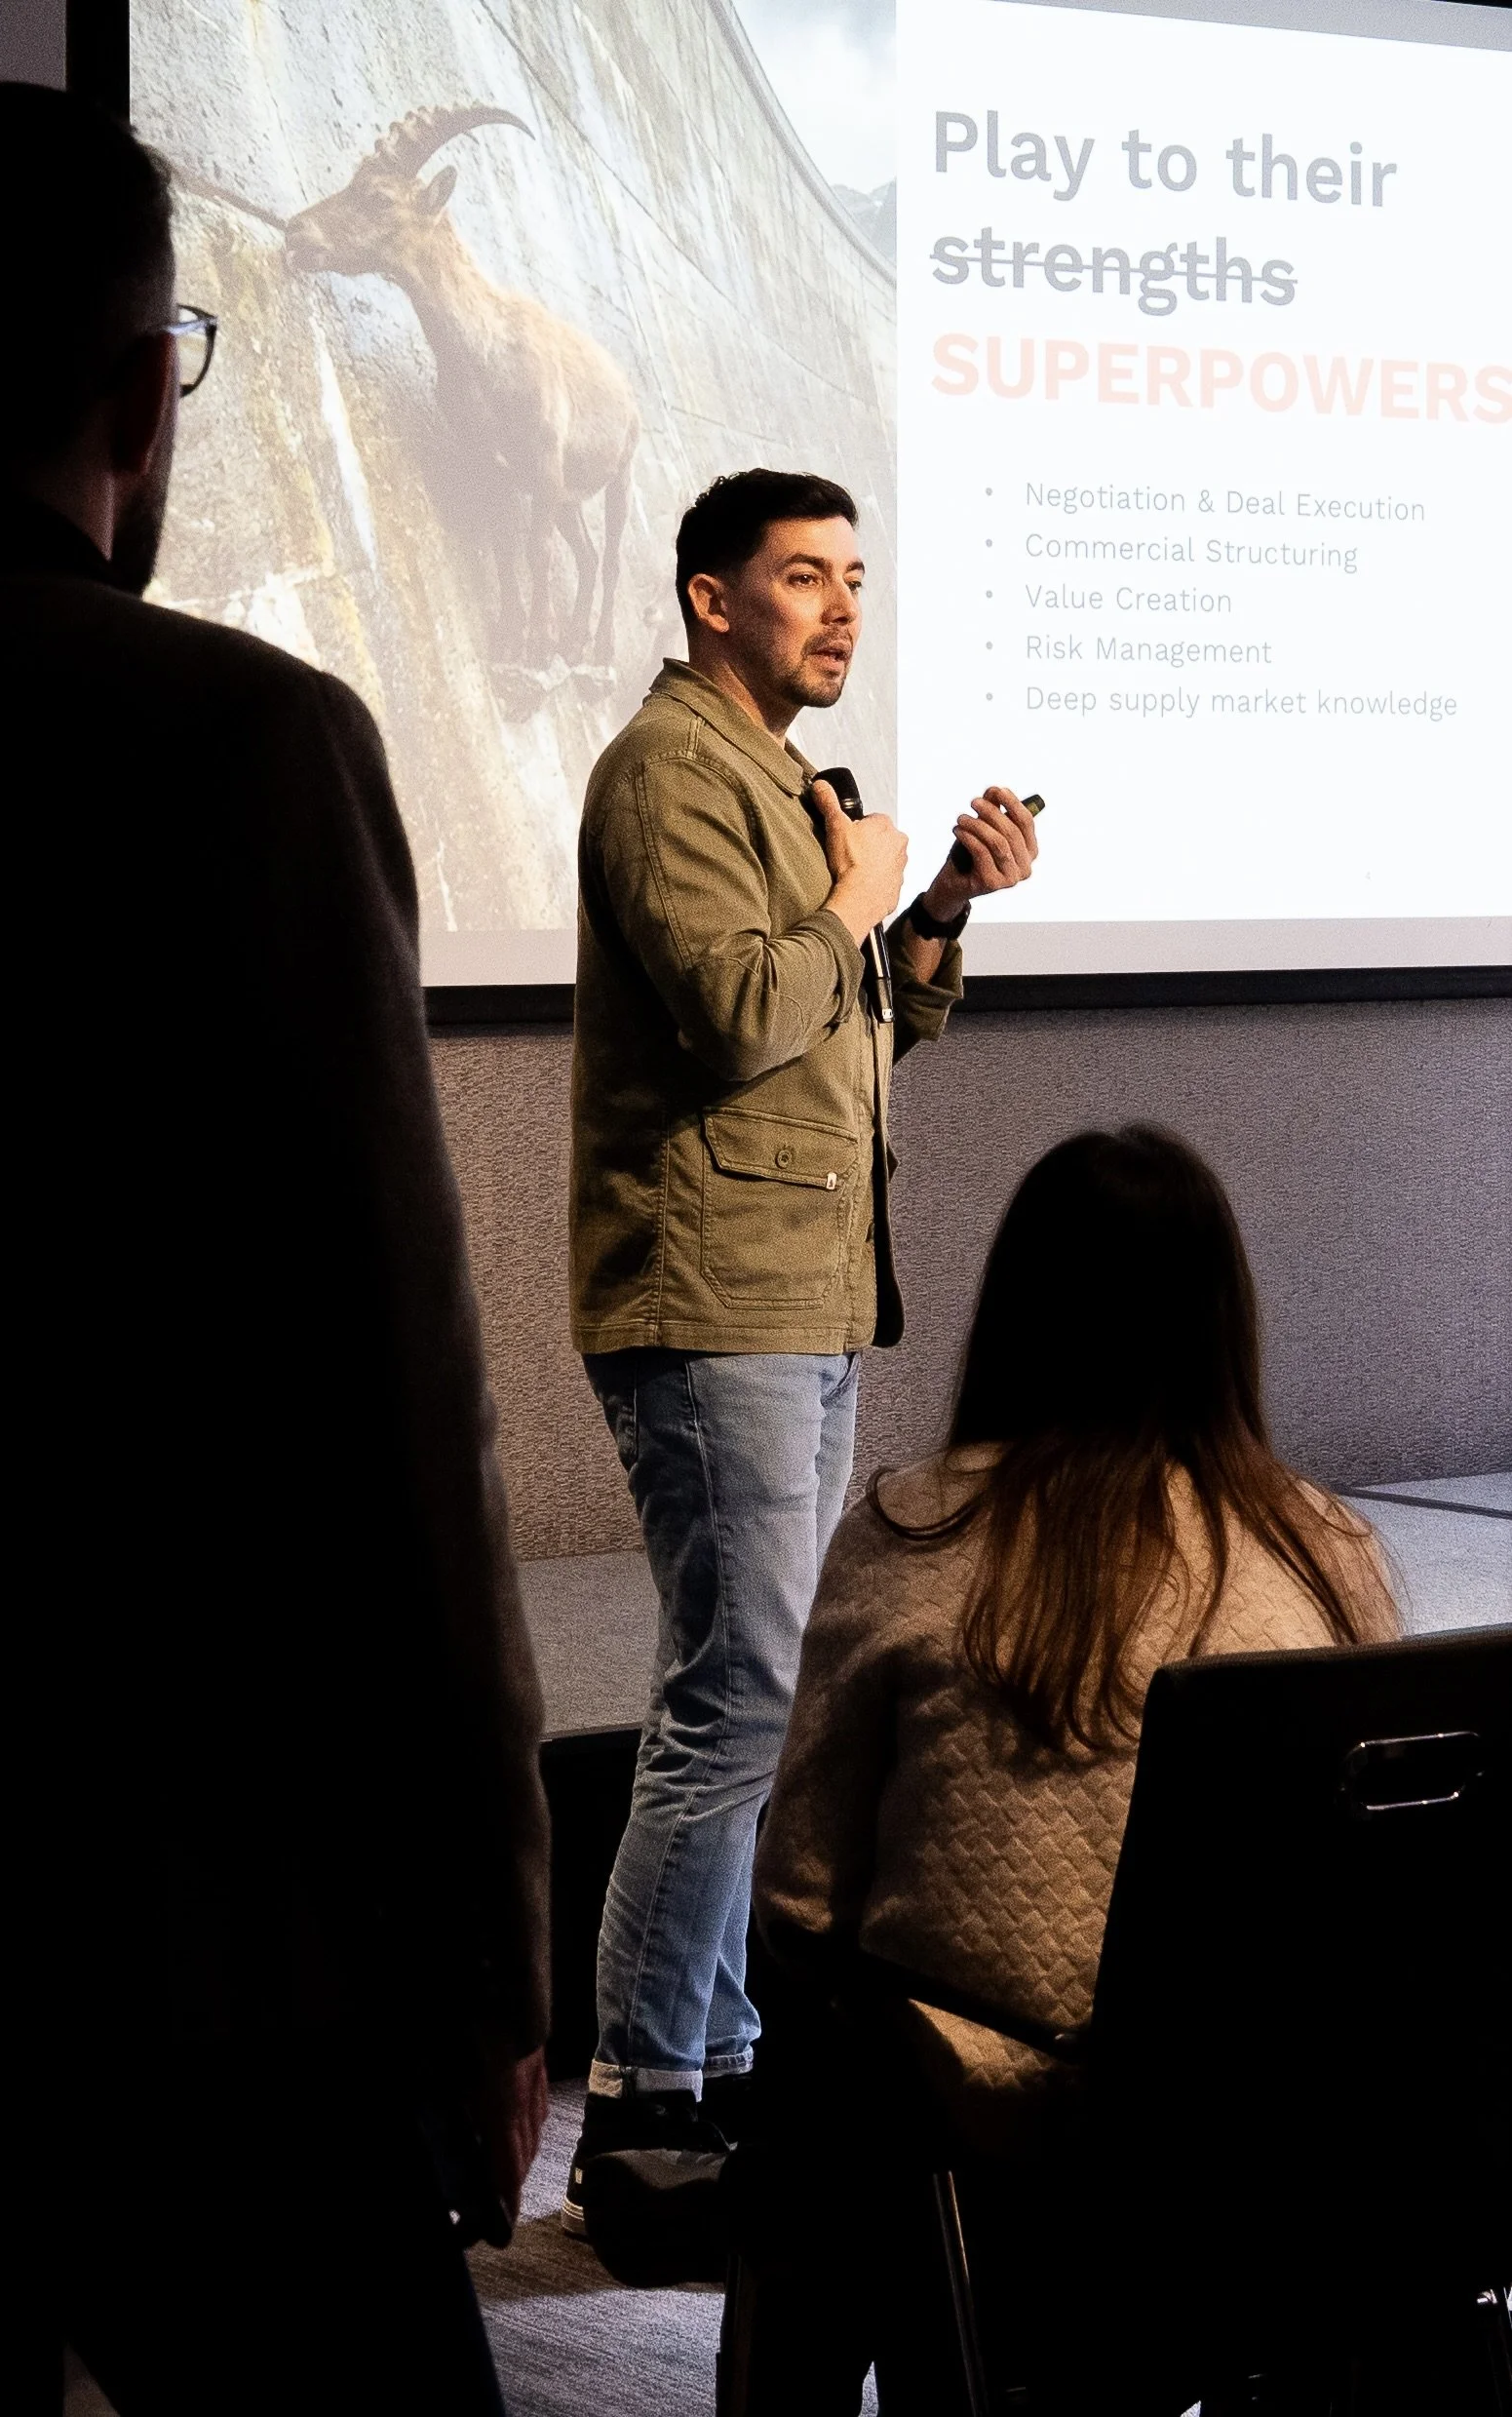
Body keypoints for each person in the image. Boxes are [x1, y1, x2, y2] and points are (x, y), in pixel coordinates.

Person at [0, 84, 547, 2412]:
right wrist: (483, 1953)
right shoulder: (245, 743)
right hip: (188, 1931)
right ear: (143, 394)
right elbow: (395, 1401)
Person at [735, 1123, 1400, 2409]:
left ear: (1017, 1314)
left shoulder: (917, 1533)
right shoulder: (1327, 1553)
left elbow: (799, 1898)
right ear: (1224, 1321)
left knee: (818, 2069)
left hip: (998, 2155)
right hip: (1283, 2151)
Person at [562, 467, 1040, 2226]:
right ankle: (642, 2113)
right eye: (801, 578)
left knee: (750, 1695)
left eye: (854, 576)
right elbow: (740, 1009)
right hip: (710, 1301)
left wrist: (935, 910)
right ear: (711, 598)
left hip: (806, 1292)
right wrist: (854, 894)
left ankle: (720, 2063)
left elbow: (845, 1039)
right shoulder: (666, 771)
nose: (841, 608)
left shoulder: (780, 780)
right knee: (734, 1699)